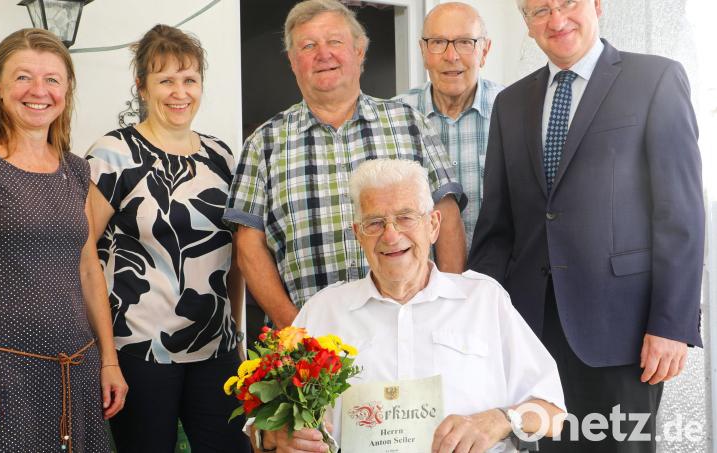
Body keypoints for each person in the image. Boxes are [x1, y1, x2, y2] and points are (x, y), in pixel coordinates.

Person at [468, 0, 704, 451]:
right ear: (527, 24)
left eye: (567, 3)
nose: (556, 20)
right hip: (531, 336)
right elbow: (497, 230)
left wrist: (672, 324)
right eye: (540, 11)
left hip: (624, 333)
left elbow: (680, 214)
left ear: (597, 5)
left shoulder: (655, 80)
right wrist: (478, 324)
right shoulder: (510, 103)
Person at [257, 159, 565, 452]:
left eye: (405, 217)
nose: (391, 235)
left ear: (433, 225)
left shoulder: (484, 301)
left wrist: (500, 420)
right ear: (358, 235)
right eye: (375, 223)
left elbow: (553, 413)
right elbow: (260, 434)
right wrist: (277, 436)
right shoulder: (323, 311)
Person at [0, 28, 126, 452]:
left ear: (67, 89)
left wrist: (109, 359)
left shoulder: (75, 170)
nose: (39, 91)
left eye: (52, 79)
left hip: (78, 370)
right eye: (23, 77)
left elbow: (89, 270)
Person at [225, 0, 467, 331]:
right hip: (312, 344)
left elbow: (447, 218)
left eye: (334, 41)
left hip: (412, 330)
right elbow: (248, 247)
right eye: (308, 46)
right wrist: (297, 331)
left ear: (359, 51)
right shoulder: (263, 144)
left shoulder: (411, 124)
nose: (323, 54)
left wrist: (449, 313)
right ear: (293, 62)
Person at [85, 24, 250, 452]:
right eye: (166, 80)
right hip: (138, 350)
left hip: (215, 349)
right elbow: (82, 256)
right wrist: (105, 357)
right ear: (142, 86)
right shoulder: (113, 154)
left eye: (189, 79)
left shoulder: (221, 156)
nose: (180, 92)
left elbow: (234, 257)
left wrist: (238, 336)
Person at [396, 2, 503, 249]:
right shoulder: (396, 117)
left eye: (465, 42)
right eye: (438, 42)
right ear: (423, 51)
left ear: (484, 51)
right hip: (423, 272)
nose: (451, 56)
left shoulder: (513, 111)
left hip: (500, 270)